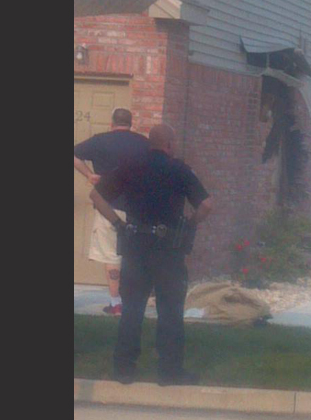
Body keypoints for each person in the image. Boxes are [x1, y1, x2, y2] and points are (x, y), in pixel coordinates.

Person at [90, 124, 213, 386]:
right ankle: (169, 371)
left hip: (135, 246)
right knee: (170, 309)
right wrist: (190, 224)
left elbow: (96, 196)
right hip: (168, 250)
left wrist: (117, 223)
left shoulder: (130, 166)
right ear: (168, 144)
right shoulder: (179, 169)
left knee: (132, 309)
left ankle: (124, 369)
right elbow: (206, 204)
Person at [74, 108, 150, 316]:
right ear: (131, 123)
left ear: (112, 123)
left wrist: (89, 175)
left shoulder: (99, 141)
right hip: (138, 208)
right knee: (135, 256)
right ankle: (134, 303)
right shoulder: (143, 143)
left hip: (107, 206)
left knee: (111, 256)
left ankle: (116, 304)